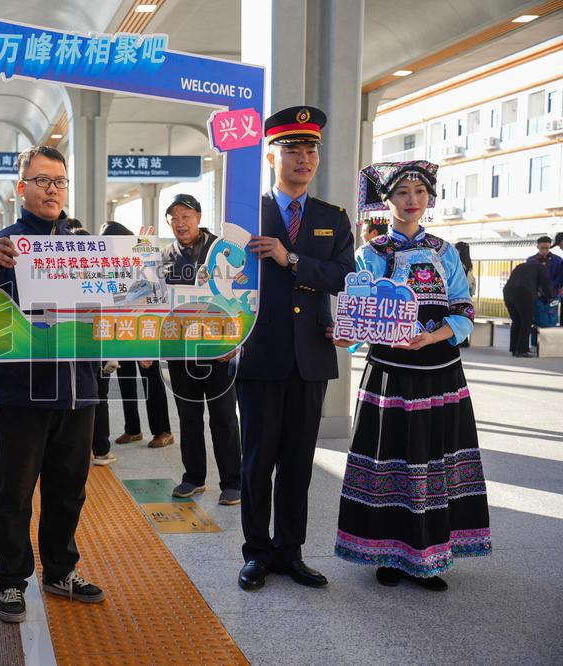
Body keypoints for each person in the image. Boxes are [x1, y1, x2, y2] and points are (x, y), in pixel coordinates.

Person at [0, 145, 104, 624]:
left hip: (79, 388)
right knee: (15, 493)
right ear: (22, 188)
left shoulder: (85, 243)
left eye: (59, 181)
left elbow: (112, 303)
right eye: (42, 181)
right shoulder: (2, 247)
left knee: (69, 489)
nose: (52, 189)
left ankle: (60, 570)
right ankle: (11, 579)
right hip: (23, 392)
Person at [333, 160, 491, 591]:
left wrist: (434, 336)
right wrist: (346, 335)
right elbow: (360, 314)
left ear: (429, 199)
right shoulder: (370, 253)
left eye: (419, 192)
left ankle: (429, 555)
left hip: (440, 373)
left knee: (433, 464)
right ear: (386, 201)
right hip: (390, 374)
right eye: (402, 192)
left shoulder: (445, 251)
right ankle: (387, 553)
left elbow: (464, 308)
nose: (412, 200)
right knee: (390, 461)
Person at [236, 106, 354, 591]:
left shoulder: (332, 217)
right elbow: (220, 278)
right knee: (257, 462)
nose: (304, 159)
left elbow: (344, 276)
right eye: (292, 150)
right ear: (271, 157)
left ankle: (291, 552)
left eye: (310, 150)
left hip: (311, 356)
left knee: (298, 462)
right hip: (258, 353)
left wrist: (292, 259)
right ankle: (256, 553)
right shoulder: (245, 213)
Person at [158, 193, 242, 505]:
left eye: (186, 216)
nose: (180, 223)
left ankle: (233, 482)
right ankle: (193, 478)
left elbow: (243, 295)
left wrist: (237, 341)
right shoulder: (163, 256)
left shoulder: (222, 249)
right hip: (180, 350)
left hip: (219, 350)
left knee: (224, 417)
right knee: (188, 416)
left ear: (199, 217)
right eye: (174, 219)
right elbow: (153, 301)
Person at [100, 221, 175, 450]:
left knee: (151, 380)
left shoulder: (146, 261)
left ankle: (163, 431)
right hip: (122, 330)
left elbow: (156, 297)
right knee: (126, 379)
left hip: (145, 330)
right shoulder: (110, 264)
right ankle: (133, 429)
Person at [503, 260, 554, 357]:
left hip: (507, 291)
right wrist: (550, 297)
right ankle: (522, 350)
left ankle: (514, 348)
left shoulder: (521, 266)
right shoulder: (541, 267)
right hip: (523, 291)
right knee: (526, 321)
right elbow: (545, 284)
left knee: (516, 320)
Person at [455, 241, 475, 346]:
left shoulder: (456, 261)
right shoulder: (468, 263)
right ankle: (464, 340)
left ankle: (459, 340)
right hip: (466, 293)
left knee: (455, 314)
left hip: (456, 291)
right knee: (463, 315)